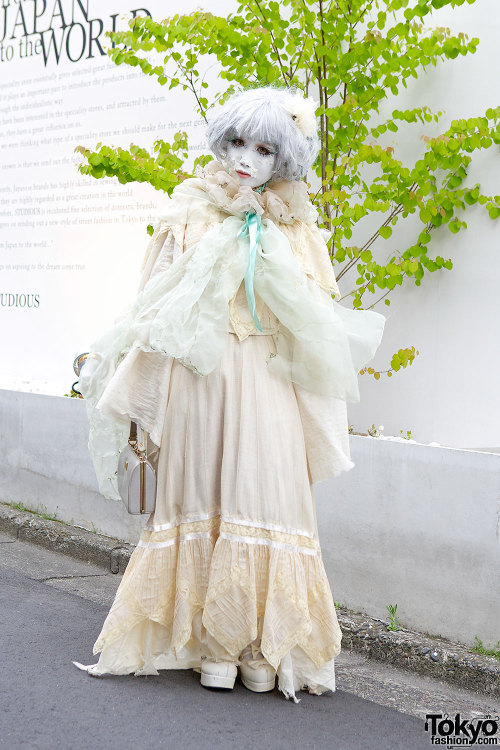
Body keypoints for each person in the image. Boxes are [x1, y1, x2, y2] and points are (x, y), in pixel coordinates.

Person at [72, 85, 385, 703]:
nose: (247, 158)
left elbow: (315, 319)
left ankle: (260, 647)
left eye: (265, 148)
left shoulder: (297, 227)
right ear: (222, 142)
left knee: (268, 492)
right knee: (201, 491)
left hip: (267, 376)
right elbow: (154, 301)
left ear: (284, 157)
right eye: (238, 142)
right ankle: (210, 647)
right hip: (201, 376)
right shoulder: (190, 210)